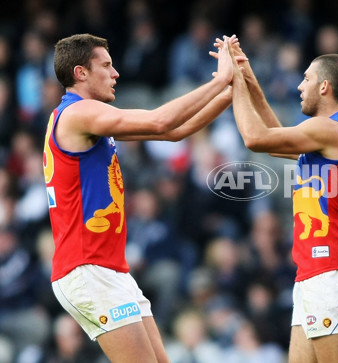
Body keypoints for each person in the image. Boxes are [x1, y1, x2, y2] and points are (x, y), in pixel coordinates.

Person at [42, 33, 234, 362]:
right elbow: (161, 121)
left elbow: (174, 132)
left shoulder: (89, 118)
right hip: (89, 268)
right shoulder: (78, 115)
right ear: (81, 73)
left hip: (110, 269)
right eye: (106, 65)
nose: (116, 73)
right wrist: (220, 81)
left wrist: (231, 92)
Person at [220, 37, 338, 363]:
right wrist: (250, 80)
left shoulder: (334, 131)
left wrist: (231, 79)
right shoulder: (333, 132)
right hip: (313, 270)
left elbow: (255, 138)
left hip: (332, 268)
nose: (299, 86)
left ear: (324, 87)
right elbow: (276, 143)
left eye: (306, 79)